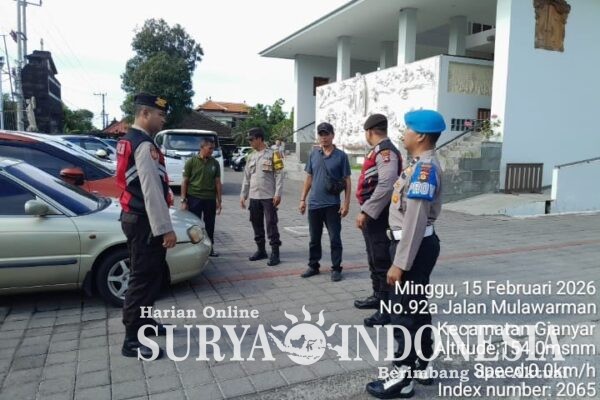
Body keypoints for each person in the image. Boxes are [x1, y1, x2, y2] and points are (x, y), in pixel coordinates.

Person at [366, 109, 445, 399]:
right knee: (417, 309)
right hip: (418, 245)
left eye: (408, 128)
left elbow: (415, 219)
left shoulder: (424, 170)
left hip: (411, 246)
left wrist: (399, 262)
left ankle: (402, 377)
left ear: (420, 136)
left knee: (403, 314)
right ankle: (422, 365)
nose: (403, 133)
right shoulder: (419, 165)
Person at [116, 93, 175, 360]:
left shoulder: (130, 139)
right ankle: (131, 340)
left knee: (152, 276)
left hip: (137, 218)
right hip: (144, 221)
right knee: (141, 280)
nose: (163, 120)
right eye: (160, 115)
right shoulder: (143, 145)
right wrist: (165, 228)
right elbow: (150, 190)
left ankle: (145, 323)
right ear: (144, 114)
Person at [354, 114, 402, 327]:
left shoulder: (385, 152)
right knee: (373, 257)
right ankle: (377, 296)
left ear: (369, 131)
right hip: (374, 214)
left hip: (379, 215)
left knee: (381, 260)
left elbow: (387, 184)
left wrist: (366, 211)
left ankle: (387, 309)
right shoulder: (378, 150)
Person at [298, 122, 352, 282]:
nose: (323, 137)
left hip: (332, 205)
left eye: (326, 134)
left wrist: (346, 203)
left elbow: (347, 181)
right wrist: (302, 199)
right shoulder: (314, 154)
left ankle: (336, 268)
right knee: (314, 239)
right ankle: (313, 266)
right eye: (321, 134)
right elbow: (309, 177)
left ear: (332, 135)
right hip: (314, 204)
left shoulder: (341, 156)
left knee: (335, 238)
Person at [240, 127, 284, 266]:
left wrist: (278, 193)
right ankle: (261, 250)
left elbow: (279, 174)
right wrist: (243, 195)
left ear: (259, 139)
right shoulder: (251, 156)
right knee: (256, 222)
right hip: (254, 196)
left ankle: (275, 253)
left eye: (251, 139)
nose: (250, 142)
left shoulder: (273, 154)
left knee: (271, 223)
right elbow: (246, 177)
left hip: (268, 196)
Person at [180, 138, 222, 257]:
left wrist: (219, 200)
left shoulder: (215, 163)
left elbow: (217, 182)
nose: (212, 151)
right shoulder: (191, 162)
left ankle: (210, 249)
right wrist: (183, 200)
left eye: (213, 149)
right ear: (202, 147)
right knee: (195, 226)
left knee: (210, 225)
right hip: (194, 198)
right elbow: (185, 182)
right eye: (210, 148)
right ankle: (195, 250)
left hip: (210, 199)